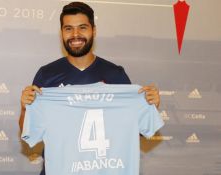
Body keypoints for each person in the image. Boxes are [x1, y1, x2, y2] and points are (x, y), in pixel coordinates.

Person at [19, 2, 160, 175]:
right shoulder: (46, 75)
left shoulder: (116, 75)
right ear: (61, 32)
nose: (75, 34)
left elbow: (133, 133)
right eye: (68, 28)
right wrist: (25, 109)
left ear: (94, 30)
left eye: (82, 27)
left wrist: (149, 106)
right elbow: (29, 131)